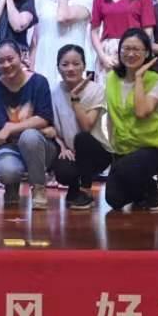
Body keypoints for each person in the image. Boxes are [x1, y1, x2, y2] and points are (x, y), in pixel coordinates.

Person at [97, 28, 158, 212]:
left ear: (147, 53)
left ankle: (152, 189)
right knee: (114, 200)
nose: (130, 54)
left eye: (136, 49)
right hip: (124, 149)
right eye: (126, 48)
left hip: (153, 148)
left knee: (124, 170)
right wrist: (112, 147)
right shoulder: (111, 78)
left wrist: (139, 77)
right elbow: (111, 116)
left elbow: (141, 112)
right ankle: (143, 191)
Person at [0, 40, 57, 209]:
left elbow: (44, 117)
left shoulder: (39, 82)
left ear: (21, 57)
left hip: (39, 147)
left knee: (29, 137)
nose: (6, 65)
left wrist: (11, 128)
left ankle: (39, 188)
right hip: (8, 148)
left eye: (10, 59)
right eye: (1, 61)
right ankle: (11, 186)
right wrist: (37, 126)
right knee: (8, 171)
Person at [48, 44, 111, 210]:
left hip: (96, 152)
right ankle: (74, 189)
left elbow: (86, 127)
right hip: (70, 151)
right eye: (65, 64)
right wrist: (62, 147)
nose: (71, 69)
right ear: (58, 67)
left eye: (76, 64)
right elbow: (51, 127)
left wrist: (75, 99)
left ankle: (86, 190)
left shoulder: (96, 90)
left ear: (84, 66)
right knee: (63, 172)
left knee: (82, 138)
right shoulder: (54, 93)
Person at [35, 0, 95, 86]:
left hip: (71, 65)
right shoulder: (44, 0)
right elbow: (36, 37)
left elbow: (63, 17)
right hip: (44, 62)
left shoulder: (86, 0)